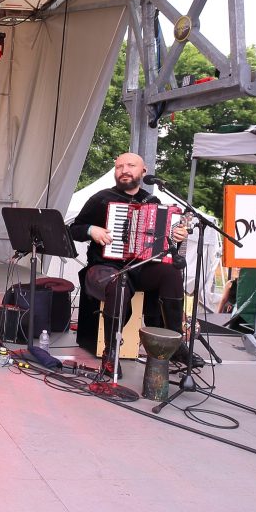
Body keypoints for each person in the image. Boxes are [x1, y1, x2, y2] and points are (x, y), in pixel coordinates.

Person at [69, 151, 200, 375]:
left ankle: (176, 342)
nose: (124, 171)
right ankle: (111, 353)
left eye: (130, 166)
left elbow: (163, 245)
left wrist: (176, 237)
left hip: (139, 267)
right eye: (119, 167)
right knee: (118, 284)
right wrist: (92, 230)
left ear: (143, 171)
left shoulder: (153, 202)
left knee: (170, 272)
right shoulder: (102, 199)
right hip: (105, 267)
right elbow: (74, 229)